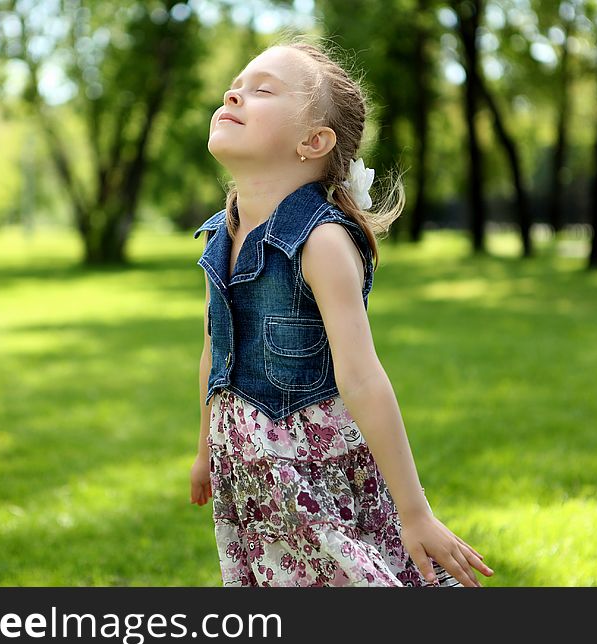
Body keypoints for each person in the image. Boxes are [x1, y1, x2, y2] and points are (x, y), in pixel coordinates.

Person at [189, 38, 494, 588]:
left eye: (260, 90)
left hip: (312, 469)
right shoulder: (222, 233)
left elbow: (362, 377)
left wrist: (416, 511)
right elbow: (217, 350)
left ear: (314, 141)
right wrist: (204, 447)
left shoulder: (322, 241)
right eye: (235, 85)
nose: (234, 93)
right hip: (248, 475)